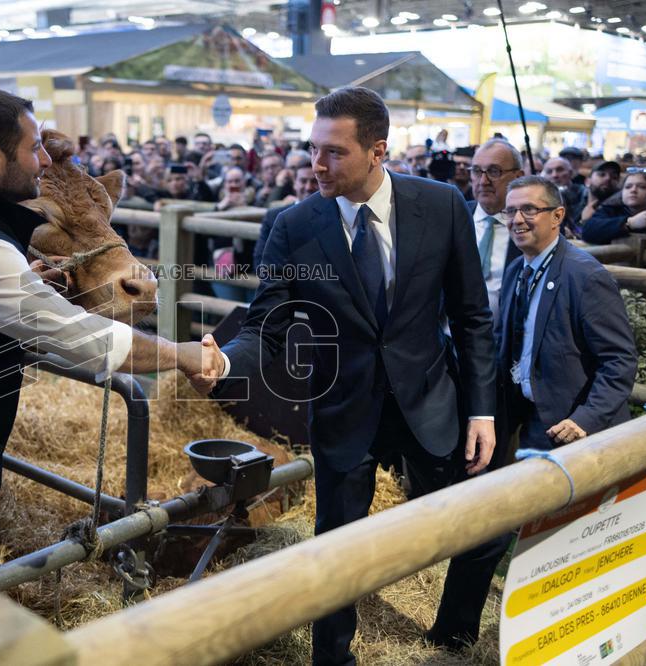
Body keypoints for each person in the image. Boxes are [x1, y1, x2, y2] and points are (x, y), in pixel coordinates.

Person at [0, 87, 222, 609]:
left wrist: (24, 282)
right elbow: (83, 339)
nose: (44, 160)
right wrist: (183, 355)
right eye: (34, 149)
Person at [198, 87, 501, 664]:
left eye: (333, 152)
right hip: (344, 409)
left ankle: (454, 636)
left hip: (431, 402)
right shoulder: (293, 225)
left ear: (377, 150)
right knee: (334, 551)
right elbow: (269, 324)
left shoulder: (440, 206)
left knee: (485, 528)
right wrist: (225, 360)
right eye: (313, 149)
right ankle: (332, 658)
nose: (316, 164)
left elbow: (470, 317)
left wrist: (481, 410)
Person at [493, 175, 636, 460]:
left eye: (529, 210)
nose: (517, 219)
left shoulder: (586, 276)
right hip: (526, 418)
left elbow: (619, 360)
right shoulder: (514, 271)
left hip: (575, 429)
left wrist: (586, 418)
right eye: (510, 211)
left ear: (557, 215)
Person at [467, 138, 525, 317]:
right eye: (477, 171)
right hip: (446, 337)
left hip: (504, 339)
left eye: (494, 171)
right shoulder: (453, 215)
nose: (483, 181)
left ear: (518, 177)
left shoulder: (530, 225)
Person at [253, 165, 320, 269]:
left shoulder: (335, 214)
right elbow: (260, 261)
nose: (308, 187)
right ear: (294, 184)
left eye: (314, 181)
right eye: (303, 181)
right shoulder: (273, 217)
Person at [581, 171, 646, 249]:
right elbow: (588, 231)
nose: (633, 190)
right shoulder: (610, 209)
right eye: (628, 187)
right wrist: (630, 223)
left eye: (642, 187)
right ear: (621, 192)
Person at [541, 157, 586, 234]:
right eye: (549, 171)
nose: (554, 175)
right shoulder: (540, 198)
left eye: (559, 170)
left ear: (571, 173)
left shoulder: (584, 193)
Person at [580, 160, 622, 224]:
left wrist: (586, 222)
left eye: (614, 177)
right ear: (587, 181)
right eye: (602, 174)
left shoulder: (620, 210)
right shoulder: (573, 199)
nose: (608, 178)